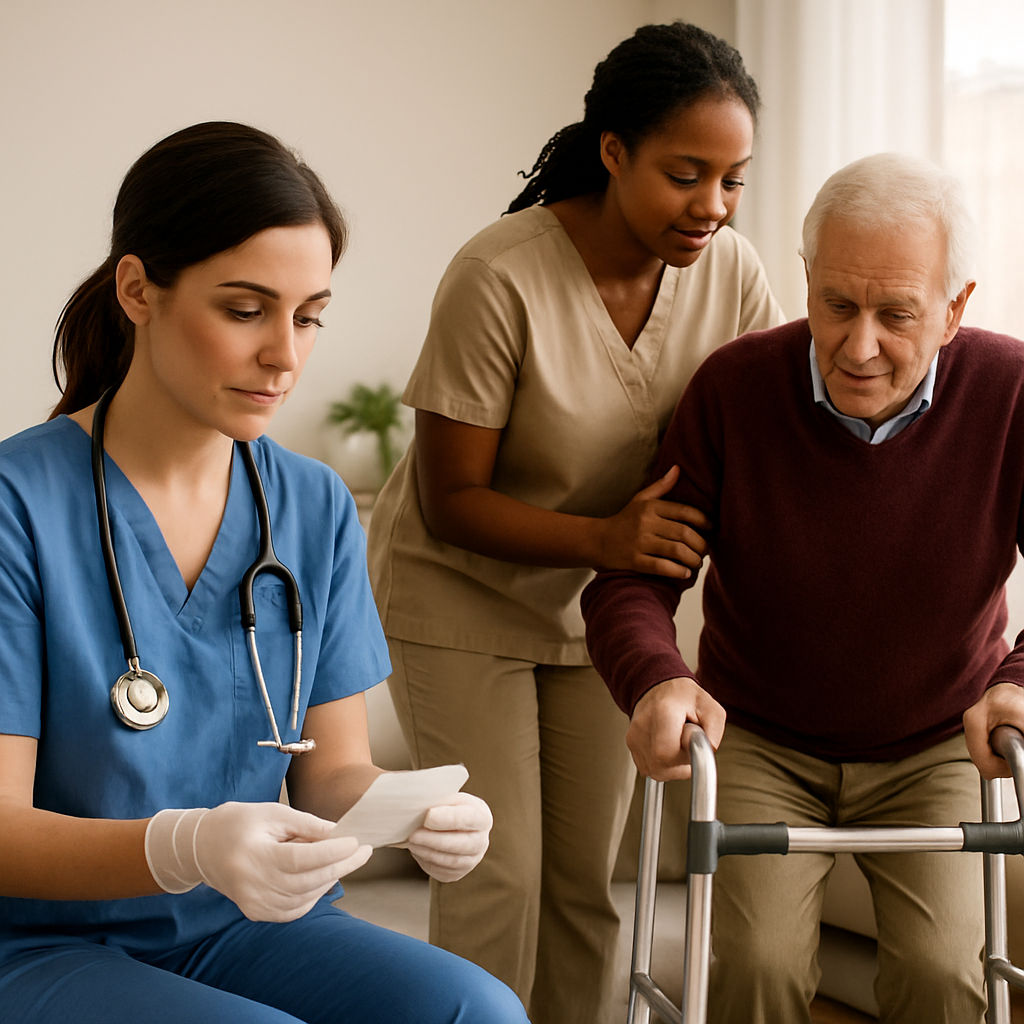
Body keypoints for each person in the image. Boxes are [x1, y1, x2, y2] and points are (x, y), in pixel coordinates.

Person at [0, 121, 529, 1024]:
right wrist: (186, 846)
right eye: (245, 310)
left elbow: (332, 778)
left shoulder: (312, 507)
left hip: (249, 925)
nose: (286, 354)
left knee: (476, 1013)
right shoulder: (19, 503)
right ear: (138, 290)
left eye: (310, 314)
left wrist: (413, 812)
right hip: (45, 941)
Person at [366, 21, 784, 1024]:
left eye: (734, 180)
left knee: (585, 887)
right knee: (495, 875)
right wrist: (603, 541)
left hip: (607, 612)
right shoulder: (499, 274)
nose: (713, 207)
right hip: (460, 597)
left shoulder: (731, 272)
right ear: (612, 150)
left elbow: (763, 439)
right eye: (687, 174)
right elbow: (448, 499)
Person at [581, 151, 1024, 1024]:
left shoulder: (1010, 393)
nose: (859, 347)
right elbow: (631, 578)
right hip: (760, 739)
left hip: (936, 740)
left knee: (945, 978)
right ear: (808, 280)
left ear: (955, 308)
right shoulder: (736, 389)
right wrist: (658, 678)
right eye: (837, 305)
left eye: (897, 314)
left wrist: (1016, 682)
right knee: (755, 969)